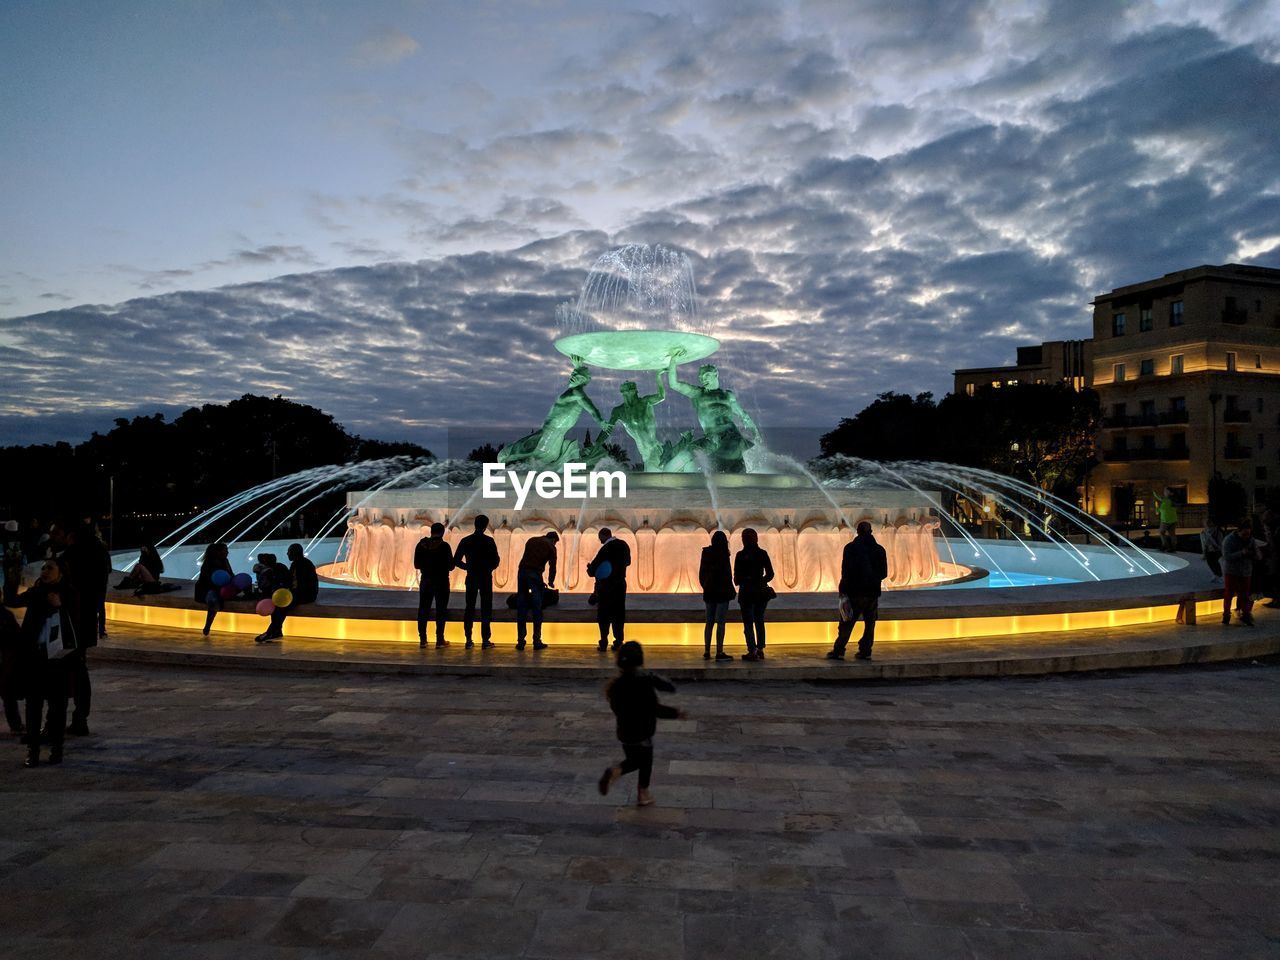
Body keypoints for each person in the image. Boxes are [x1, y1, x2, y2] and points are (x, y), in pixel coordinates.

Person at [9, 559, 78, 766]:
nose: (45, 571)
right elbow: (13, 601)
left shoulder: (69, 593)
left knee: (57, 706)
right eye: (43, 568)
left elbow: (79, 620)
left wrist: (61, 605)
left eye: (50, 568)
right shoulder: (36, 592)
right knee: (33, 705)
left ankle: (57, 749)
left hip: (58, 659)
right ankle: (33, 749)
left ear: (61, 573)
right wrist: (11, 579)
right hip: (35, 657)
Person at [598, 640, 683, 807]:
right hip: (643, 731)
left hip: (624, 732)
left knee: (633, 759)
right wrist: (675, 713)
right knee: (645, 762)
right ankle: (642, 793)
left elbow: (617, 707)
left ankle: (616, 771)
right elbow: (656, 705)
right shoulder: (644, 682)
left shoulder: (616, 685)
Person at [61, 521, 108, 736]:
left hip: (68, 621)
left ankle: (59, 719)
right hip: (87, 619)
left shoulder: (73, 556)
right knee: (79, 669)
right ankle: (80, 718)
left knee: (60, 671)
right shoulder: (99, 553)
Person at [827, 521, 889, 661]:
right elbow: (884, 573)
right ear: (871, 532)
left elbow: (845, 571)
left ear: (858, 531)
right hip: (872, 593)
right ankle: (865, 651)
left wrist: (843, 591)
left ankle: (839, 650)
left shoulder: (850, 548)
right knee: (870, 624)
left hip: (853, 592)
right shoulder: (879, 550)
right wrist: (872, 579)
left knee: (846, 622)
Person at [454, 515, 500, 649]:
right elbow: (496, 560)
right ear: (486, 526)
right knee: (486, 608)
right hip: (485, 577)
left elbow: (456, 560)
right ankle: (485, 640)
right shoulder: (489, 541)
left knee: (469, 608)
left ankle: (468, 639)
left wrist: (468, 567)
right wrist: (489, 568)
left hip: (472, 577)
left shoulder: (466, 541)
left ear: (474, 524)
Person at [256, 544, 318, 642]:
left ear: (295, 552)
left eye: (289, 552)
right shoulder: (301, 563)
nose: (287, 554)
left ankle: (272, 631)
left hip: (305, 595)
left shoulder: (301, 564)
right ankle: (276, 631)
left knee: (281, 605)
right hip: (305, 593)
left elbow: (299, 584)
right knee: (279, 602)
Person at [734, 527, 775, 661]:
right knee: (759, 620)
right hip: (760, 593)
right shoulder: (762, 553)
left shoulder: (740, 555)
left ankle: (752, 650)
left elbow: (736, 579)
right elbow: (770, 574)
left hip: (746, 593)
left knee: (748, 623)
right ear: (756, 539)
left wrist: (748, 580)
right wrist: (761, 581)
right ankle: (760, 649)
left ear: (744, 540)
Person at [588, 527, 631, 652]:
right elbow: (628, 562)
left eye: (600, 537)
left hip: (606, 586)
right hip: (620, 584)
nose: (599, 540)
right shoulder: (624, 545)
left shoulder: (605, 548)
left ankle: (603, 641)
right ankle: (618, 641)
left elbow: (593, 569)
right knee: (618, 613)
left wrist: (590, 569)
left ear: (604, 535)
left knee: (604, 613)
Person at [516, 531, 558, 650]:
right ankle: (536, 640)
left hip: (522, 572)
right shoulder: (551, 546)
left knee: (521, 607)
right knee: (537, 607)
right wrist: (550, 581)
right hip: (535, 574)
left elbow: (529, 557)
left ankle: (521, 641)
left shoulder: (531, 540)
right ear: (554, 540)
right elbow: (552, 566)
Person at [414, 522, 454, 648]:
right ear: (442, 533)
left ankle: (423, 640)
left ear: (431, 532)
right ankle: (439, 640)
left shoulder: (421, 545)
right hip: (441, 582)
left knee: (423, 609)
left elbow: (416, 565)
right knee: (441, 610)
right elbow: (451, 566)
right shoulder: (444, 546)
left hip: (426, 581)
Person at [698, 531, 735, 661]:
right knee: (720, 622)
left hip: (710, 592)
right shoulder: (724, 553)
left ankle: (707, 650)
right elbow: (728, 574)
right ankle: (719, 651)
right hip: (722, 592)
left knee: (709, 622)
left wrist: (706, 586)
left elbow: (701, 573)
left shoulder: (706, 552)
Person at [1221, 520, 1258, 627]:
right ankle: (1226, 615)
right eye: (1244, 534)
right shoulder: (1229, 540)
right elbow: (1226, 556)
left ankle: (1246, 614)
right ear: (1239, 531)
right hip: (1232, 571)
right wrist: (1241, 553)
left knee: (1245, 594)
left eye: (1248, 534)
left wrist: (1255, 555)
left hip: (1246, 571)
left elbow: (1257, 555)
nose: (1246, 536)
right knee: (1229, 594)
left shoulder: (1251, 540)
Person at [195, 542, 233, 637]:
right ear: (219, 552)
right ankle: (207, 626)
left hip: (220, 587)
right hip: (207, 589)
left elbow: (231, 574)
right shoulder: (209, 563)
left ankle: (207, 626)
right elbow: (208, 580)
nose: (228, 552)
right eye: (225, 550)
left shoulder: (225, 560)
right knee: (213, 600)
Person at [0, 586, 24, 734]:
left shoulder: (5, 616)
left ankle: (16, 724)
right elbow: (16, 638)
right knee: (8, 696)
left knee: (8, 696)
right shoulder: (5, 615)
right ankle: (15, 725)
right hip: (5, 661)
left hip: (5, 660)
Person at [2, 520, 24, 602]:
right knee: (13, 581)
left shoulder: (5, 538)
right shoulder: (18, 537)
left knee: (9, 581)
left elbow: (7, 551)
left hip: (10, 563)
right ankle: (11, 598)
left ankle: (8, 598)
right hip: (14, 563)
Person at [1153, 488, 1179, 553]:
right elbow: (1163, 509)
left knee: (1162, 532)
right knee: (1172, 534)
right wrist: (1158, 509)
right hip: (1173, 520)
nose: (1164, 492)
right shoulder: (1172, 501)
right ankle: (1173, 547)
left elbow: (1158, 497)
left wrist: (1153, 491)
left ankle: (1165, 546)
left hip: (1165, 520)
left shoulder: (1166, 500)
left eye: (1166, 491)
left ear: (1171, 493)